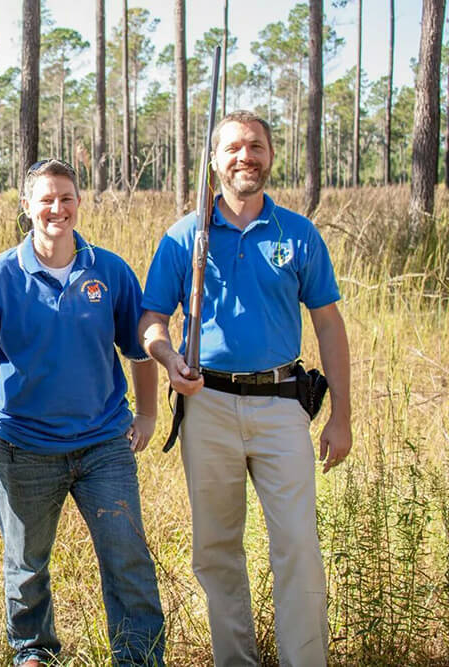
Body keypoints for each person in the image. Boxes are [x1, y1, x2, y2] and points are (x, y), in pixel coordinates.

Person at [138, 110, 352, 666]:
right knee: (215, 551)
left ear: (271, 155)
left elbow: (329, 323)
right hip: (205, 404)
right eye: (232, 147)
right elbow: (152, 319)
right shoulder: (186, 234)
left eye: (255, 146)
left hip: (282, 406)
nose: (245, 157)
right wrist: (166, 357)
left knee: (297, 547)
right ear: (214, 160)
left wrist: (342, 417)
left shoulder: (297, 234)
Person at [0, 158, 165, 667]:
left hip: (103, 444)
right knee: (26, 564)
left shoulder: (108, 271)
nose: (57, 208)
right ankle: (34, 653)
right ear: (26, 207)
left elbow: (138, 346)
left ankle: (140, 656)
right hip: (22, 447)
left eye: (66, 197)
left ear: (79, 202)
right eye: (46, 199)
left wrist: (146, 415)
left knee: (127, 557)